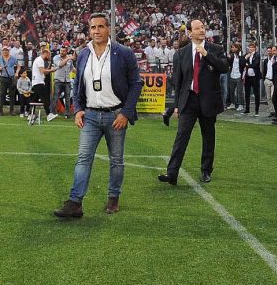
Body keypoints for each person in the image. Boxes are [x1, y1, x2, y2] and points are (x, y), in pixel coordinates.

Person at [54, 13, 143, 218]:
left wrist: (126, 113)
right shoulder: (83, 53)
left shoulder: (123, 52)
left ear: (108, 29)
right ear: (89, 30)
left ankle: (113, 198)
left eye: (101, 27)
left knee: (117, 160)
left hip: (116, 116)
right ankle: (75, 203)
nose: (96, 31)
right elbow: (77, 85)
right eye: (93, 27)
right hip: (91, 116)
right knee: (83, 159)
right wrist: (78, 109)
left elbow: (136, 84)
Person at [159, 19, 230, 185]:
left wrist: (206, 54)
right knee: (181, 137)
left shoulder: (215, 49)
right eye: (197, 28)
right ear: (190, 33)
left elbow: (224, 67)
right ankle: (172, 173)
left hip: (208, 100)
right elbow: (178, 81)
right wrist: (176, 105)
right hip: (188, 100)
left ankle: (206, 170)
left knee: (208, 137)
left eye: (203, 27)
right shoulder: (181, 53)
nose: (202, 30)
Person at [31, 46, 52, 123]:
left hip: (36, 82)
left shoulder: (38, 60)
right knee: (45, 98)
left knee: (34, 100)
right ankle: (49, 114)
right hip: (38, 82)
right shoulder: (40, 60)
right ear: (45, 53)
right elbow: (42, 71)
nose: (49, 56)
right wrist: (51, 70)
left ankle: (31, 114)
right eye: (49, 55)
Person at [0, 46, 17, 115]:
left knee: (12, 95)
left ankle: (11, 111)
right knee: (2, 95)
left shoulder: (13, 58)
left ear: (8, 51)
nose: (5, 51)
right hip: (3, 78)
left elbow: (18, 66)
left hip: (11, 78)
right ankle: (0, 111)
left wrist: (17, 73)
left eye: (6, 50)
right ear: (2, 51)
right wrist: (0, 68)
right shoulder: (0, 59)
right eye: (4, 50)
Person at [51, 46, 74, 119]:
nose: (61, 52)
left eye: (63, 51)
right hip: (58, 80)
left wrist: (79, 72)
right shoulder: (56, 57)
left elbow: (72, 68)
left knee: (67, 98)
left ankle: (67, 113)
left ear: (66, 51)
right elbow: (60, 65)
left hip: (67, 81)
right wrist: (68, 58)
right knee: (55, 97)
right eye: (61, 50)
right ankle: (53, 113)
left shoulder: (70, 60)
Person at [226, 43, 243, 111]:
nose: (232, 49)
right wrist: (228, 58)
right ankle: (233, 103)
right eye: (232, 47)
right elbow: (230, 63)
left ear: (237, 48)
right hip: (232, 74)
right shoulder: (232, 55)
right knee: (231, 90)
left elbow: (243, 64)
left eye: (233, 47)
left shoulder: (241, 55)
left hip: (239, 75)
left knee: (239, 91)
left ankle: (241, 104)